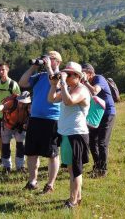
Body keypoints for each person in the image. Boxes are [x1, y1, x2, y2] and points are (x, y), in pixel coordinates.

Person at [19, 51, 62, 193]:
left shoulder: (62, 76)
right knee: (31, 152)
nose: (48, 60)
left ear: (58, 62)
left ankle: (50, 184)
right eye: (46, 58)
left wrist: (49, 67)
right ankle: (32, 181)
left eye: (52, 58)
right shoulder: (39, 76)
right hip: (35, 118)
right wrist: (33, 67)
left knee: (52, 153)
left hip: (51, 119)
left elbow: (54, 83)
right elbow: (22, 82)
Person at [48, 62, 90, 208]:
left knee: (75, 170)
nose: (66, 76)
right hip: (66, 134)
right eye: (65, 73)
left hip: (76, 134)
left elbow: (69, 101)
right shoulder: (70, 88)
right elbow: (51, 99)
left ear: (78, 77)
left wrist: (63, 84)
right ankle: (77, 198)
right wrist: (54, 84)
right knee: (72, 169)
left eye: (70, 74)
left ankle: (72, 201)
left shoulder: (82, 90)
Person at [81, 63, 116, 177]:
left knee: (102, 143)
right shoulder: (87, 82)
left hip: (107, 114)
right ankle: (97, 166)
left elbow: (95, 91)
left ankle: (102, 170)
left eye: (83, 72)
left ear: (90, 73)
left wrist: (85, 82)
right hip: (96, 115)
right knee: (92, 142)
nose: (81, 75)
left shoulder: (99, 78)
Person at [0, 91, 31, 173]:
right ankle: (7, 167)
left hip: (20, 127)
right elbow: (2, 106)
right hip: (7, 126)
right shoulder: (12, 102)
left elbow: (31, 115)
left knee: (21, 146)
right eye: (21, 102)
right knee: (5, 146)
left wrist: (27, 124)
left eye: (24, 103)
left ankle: (20, 166)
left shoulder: (29, 106)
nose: (22, 104)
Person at [0, 62, 21, 165]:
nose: (1, 72)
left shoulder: (13, 84)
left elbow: (19, 98)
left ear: (7, 70)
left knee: (18, 140)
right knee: (2, 139)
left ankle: (19, 162)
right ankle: (3, 159)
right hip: (0, 116)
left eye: (3, 70)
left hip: (12, 116)